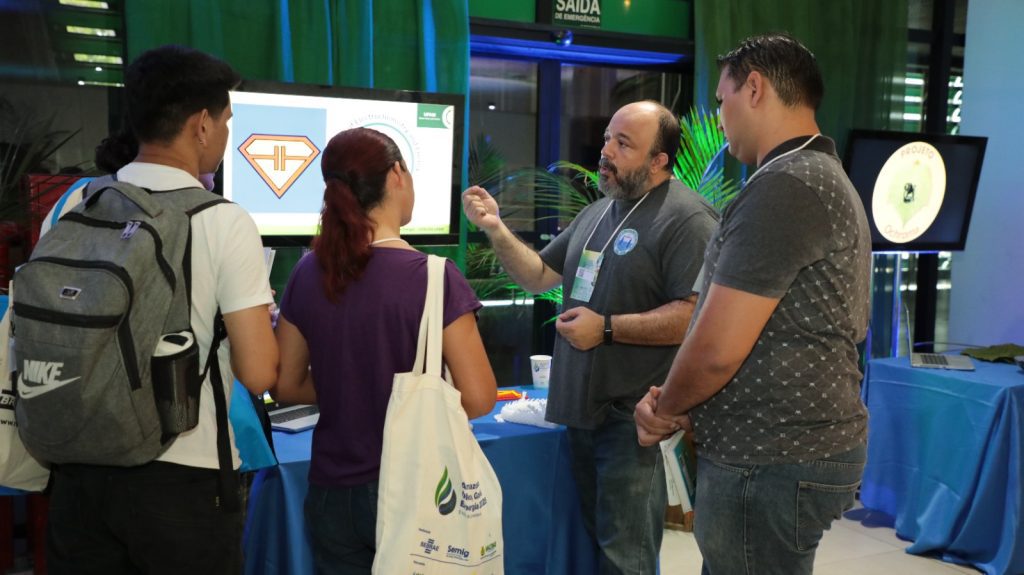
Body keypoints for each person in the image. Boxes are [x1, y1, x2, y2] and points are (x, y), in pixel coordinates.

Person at [634, 34, 872, 575]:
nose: (719, 117)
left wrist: (667, 407)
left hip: (770, 454)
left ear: (756, 89)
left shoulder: (786, 185)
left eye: (722, 100)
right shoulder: (816, 175)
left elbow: (717, 347)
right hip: (786, 447)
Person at [45, 45, 279, 574]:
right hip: (183, 478)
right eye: (226, 121)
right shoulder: (223, 220)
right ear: (201, 124)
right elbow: (259, 371)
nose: (224, 135)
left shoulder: (74, 207)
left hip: (76, 471)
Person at [463, 100, 718, 574]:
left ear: (659, 160)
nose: (606, 152)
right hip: (580, 412)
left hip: (631, 420)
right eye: (607, 138)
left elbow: (693, 316)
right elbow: (539, 275)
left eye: (624, 144)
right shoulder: (600, 212)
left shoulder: (688, 219)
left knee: (626, 558)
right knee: (596, 552)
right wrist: (496, 228)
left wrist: (605, 328)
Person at [273, 127, 497, 574]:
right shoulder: (434, 277)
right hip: (416, 493)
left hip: (331, 492)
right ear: (397, 174)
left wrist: (350, 386)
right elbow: (479, 397)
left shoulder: (307, 271)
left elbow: (287, 385)